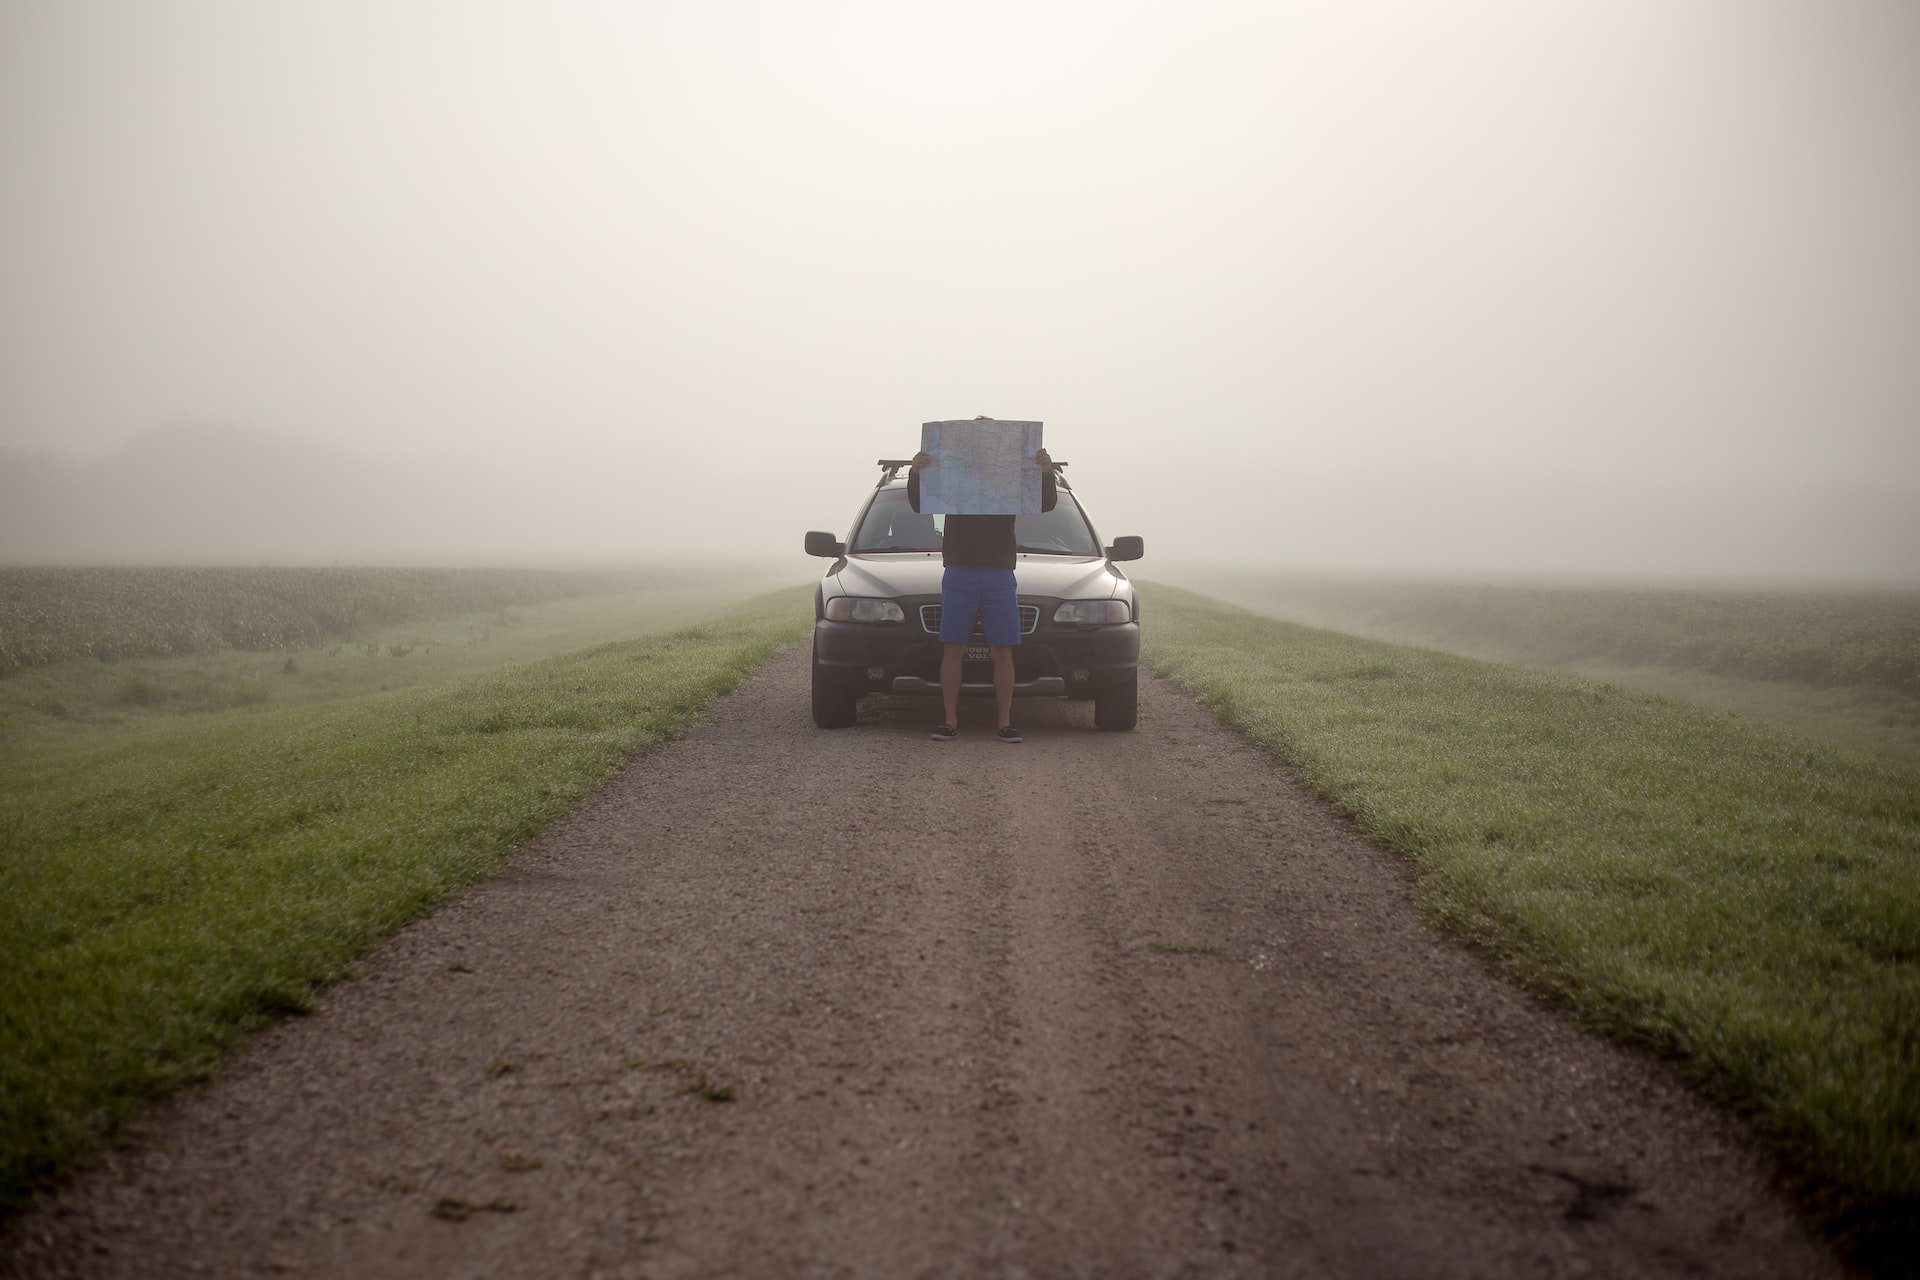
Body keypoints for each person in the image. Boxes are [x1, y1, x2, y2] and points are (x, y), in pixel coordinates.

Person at [907, 438, 1056, 743]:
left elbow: (1045, 503)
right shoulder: (953, 481)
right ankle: (949, 721)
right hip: (960, 570)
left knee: (1003, 650)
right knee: (953, 649)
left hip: (999, 572)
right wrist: (915, 473)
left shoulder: (1009, 482)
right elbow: (920, 503)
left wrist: (1045, 472)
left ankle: (1004, 722)